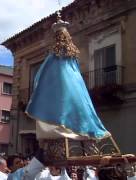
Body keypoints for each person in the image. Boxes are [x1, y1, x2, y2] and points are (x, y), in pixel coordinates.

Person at [25, 12, 110, 140]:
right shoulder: (72, 55)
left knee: (64, 107)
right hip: (75, 84)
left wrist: (40, 85)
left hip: (63, 85)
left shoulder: (54, 55)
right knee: (79, 106)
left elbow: (42, 74)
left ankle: (68, 128)